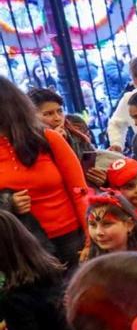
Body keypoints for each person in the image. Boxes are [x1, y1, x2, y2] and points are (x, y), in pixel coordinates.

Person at [0, 80, 89, 268]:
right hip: (20, 246)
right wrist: (8, 202)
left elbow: (79, 191)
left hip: (69, 239)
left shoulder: (48, 138)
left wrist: (90, 239)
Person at [27, 88, 95, 169]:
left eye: (60, 111)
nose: (57, 118)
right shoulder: (27, 143)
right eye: (48, 114)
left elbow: (92, 163)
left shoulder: (77, 132)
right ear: (31, 117)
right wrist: (54, 143)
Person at [82, 192, 137, 259]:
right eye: (92, 224)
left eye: (107, 224)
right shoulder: (92, 260)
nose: (98, 232)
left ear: (129, 225)